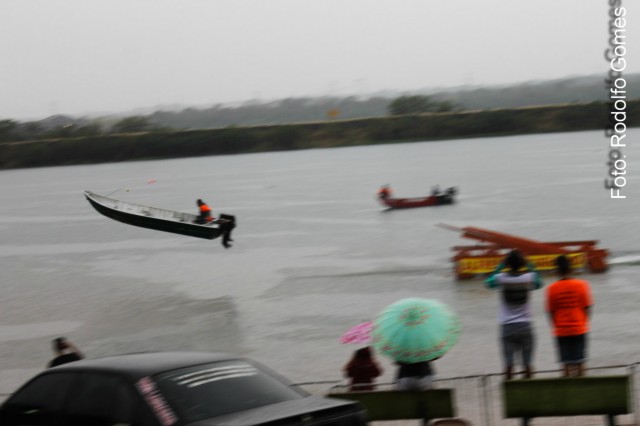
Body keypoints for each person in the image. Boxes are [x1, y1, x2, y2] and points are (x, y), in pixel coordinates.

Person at [484, 250, 542, 380]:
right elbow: (539, 283)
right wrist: (530, 265)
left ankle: (508, 391)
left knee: (508, 364)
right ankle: (530, 390)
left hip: (507, 327)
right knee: (527, 363)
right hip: (526, 326)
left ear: (508, 264)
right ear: (521, 263)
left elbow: (487, 283)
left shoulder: (501, 278)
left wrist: (500, 267)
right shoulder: (529, 277)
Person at [545, 255, 593, 377]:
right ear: (571, 268)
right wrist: (583, 323)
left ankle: (566, 392)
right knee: (580, 361)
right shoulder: (582, 285)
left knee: (565, 363)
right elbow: (587, 307)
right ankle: (582, 389)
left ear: (557, 270)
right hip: (579, 327)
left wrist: (556, 326)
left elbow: (551, 312)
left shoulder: (551, 288)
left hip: (561, 330)